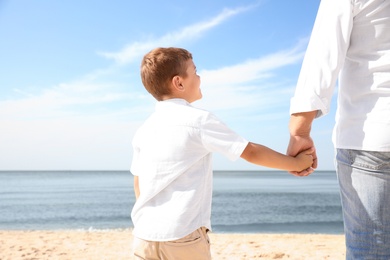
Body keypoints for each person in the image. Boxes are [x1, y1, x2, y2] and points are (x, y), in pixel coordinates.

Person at [131, 47, 314, 259]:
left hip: (144, 235)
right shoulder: (199, 120)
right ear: (179, 83)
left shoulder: (145, 129)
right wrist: (297, 163)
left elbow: (139, 183)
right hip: (181, 236)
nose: (200, 77)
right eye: (195, 71)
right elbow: (250, 151)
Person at [287, 0, 390, 259]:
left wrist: (300, 130)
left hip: (371, 134)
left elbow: (323, 56)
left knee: (370, 248)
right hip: (371, 136)